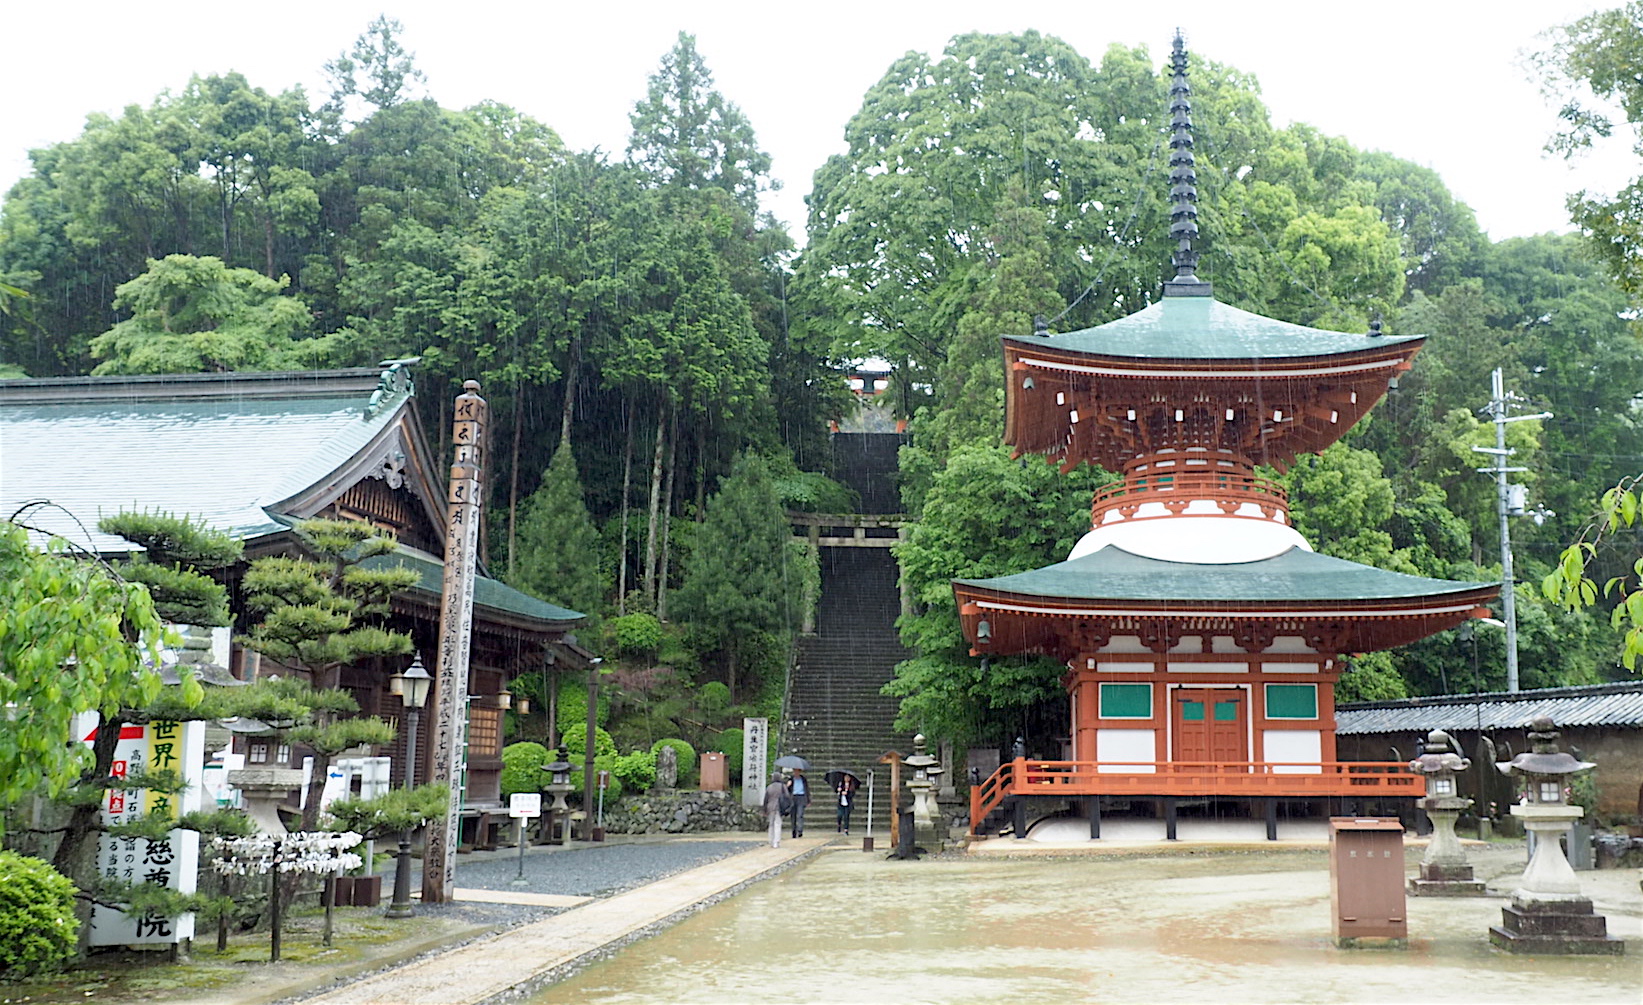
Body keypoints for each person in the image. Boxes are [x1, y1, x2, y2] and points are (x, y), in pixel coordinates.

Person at [761, 771, 788, 848]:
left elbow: (765, 799)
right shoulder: (782, 786)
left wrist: (764, 809)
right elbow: (787, 796)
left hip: (770, 807)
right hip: (779, 806)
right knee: (778, 823)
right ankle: (776, 841)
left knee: (771, 824)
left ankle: (771, 840)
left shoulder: (769, 787)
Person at [787, 768, 810, 838]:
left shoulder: (803, 779)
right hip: (793, 797)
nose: (796, 772)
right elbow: (786, 790)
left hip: (801, 797)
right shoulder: (791, 779)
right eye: (795, 771)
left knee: (800, 814)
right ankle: (794, 830)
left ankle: (800, 830)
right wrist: (788, 785)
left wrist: (808, 800)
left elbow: (807, 789)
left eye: (797, 771)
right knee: (793, 816)